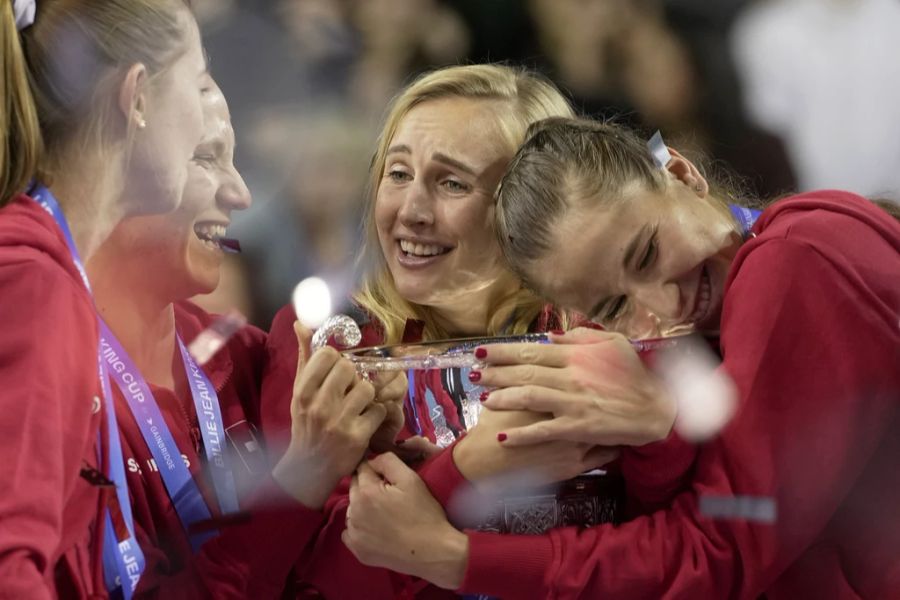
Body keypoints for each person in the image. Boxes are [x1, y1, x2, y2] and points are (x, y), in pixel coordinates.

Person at [342, 117, 900, 598]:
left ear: (680, 174)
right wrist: (660, 437)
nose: (664, 305)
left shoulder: (793, 261)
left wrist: (455, 558)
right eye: (614, 304)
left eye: (647, 252)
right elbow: (715, 516)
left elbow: (719, 548)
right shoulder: (680, 349)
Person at [261, 65, 689, 598]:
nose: (410, 211)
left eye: (452, 183)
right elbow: (315, 583)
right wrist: (463, 471)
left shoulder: (613, 335)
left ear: (533, 210)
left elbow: (676, 551)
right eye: (397, 174)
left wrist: (657, 430)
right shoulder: (332, 349)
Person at [86, 86, 393, 598]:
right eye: (207, 159)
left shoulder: (253, 359)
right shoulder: (42, 384)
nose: (240, 192)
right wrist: (302, 479)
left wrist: (374, 455)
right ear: (108, 173)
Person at [0, 0, 210, 597]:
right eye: (197, 83)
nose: (202, 125)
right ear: (137, 96)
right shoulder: (32, 283)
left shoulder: (42, 268)